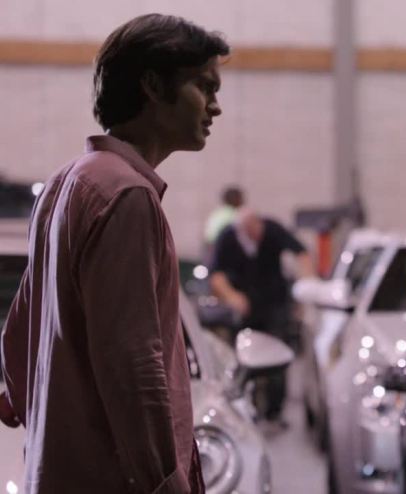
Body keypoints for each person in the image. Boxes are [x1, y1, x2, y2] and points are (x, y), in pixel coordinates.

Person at [0, 14, 229, 493]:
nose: (215, 106)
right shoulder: (127, 196)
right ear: (152, 85)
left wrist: (31, 408)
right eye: (204, 86)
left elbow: (18, 333)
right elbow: (133, 364)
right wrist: (165, 483)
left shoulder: (67, 182)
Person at [209, 208, 314, 424]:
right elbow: (216, 276)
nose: (257, 235)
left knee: (277, 354)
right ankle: (250, 406)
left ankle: (275, 412)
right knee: (245, 356)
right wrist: (233, 297)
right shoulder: (228, 238)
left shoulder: (272, 230)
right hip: (246, 307)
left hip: (275, 304)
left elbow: (302, 253)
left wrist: (306, 284)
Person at [203, 186, 244, 257]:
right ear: (236, 199)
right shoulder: (235, 214)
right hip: (220, 247)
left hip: (208, 246)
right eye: (240, 198)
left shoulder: (217, 212)